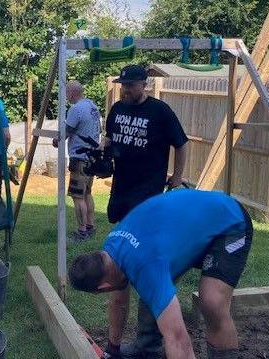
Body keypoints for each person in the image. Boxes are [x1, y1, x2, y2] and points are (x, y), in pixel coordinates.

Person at [69, 189, 253, 359]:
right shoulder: (110, 253)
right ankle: (148, 349)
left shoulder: (145, 267)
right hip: (190, 228)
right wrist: (112, 350)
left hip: (230, 223)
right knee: (153, 290)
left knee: (212, 302)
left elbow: (179, 341)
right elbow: (118, 300)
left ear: (103, 287)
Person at [103, 64, 189, 357]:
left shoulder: (160, 112)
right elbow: (110, 141)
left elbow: (181, 143)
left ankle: (149, 339)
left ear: (144, 84)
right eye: (122, 84)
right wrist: (103, 157)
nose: (125, 89)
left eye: (130, 85)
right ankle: (116, 342)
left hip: (149, 193)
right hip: (121, 189)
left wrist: (177, 177)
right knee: (120, 252)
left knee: (138, 256)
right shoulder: (116, 110)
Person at [52, 80, 101, 242]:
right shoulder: (92, 106)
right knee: (87, 193)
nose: (66, 96)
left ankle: (81, 232)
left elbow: (66, 133)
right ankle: (90, 226)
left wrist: (56, 140)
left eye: (67, 93)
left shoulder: (76, 109)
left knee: (77, 196)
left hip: (79, 159)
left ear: (72, 93)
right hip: (92, 157)